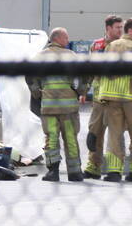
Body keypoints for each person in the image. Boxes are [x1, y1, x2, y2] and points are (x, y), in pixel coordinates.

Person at [27, 28, 88, 182]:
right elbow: (85, 75)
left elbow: (29, 75)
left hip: (49, 106)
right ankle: (75, 172)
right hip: (69, 108)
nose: (67, 41)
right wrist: (81, 91)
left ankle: (53, 172)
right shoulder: (71, 56)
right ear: (58, 38)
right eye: (66, 38)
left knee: (52, 137)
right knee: (70, 137)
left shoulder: (40, 56)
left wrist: (37, 92)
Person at [97, 18, 132, 183]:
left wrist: (101, 94)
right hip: (131, 97)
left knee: (114, 134)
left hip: (111, 97)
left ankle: (114, 172)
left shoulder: (111, 46)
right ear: (130, 31)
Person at [85, 14, 123, 179]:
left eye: (122, 27)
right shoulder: (96, 45)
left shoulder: (124, 46)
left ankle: (114, 170)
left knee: (115, 134)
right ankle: (93, 168)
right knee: (94, 133)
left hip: (117, 97)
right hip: (99, 97)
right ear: (108, 28)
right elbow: (89, 69)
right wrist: (84, 91)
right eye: (117, 27)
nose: (120, 30)